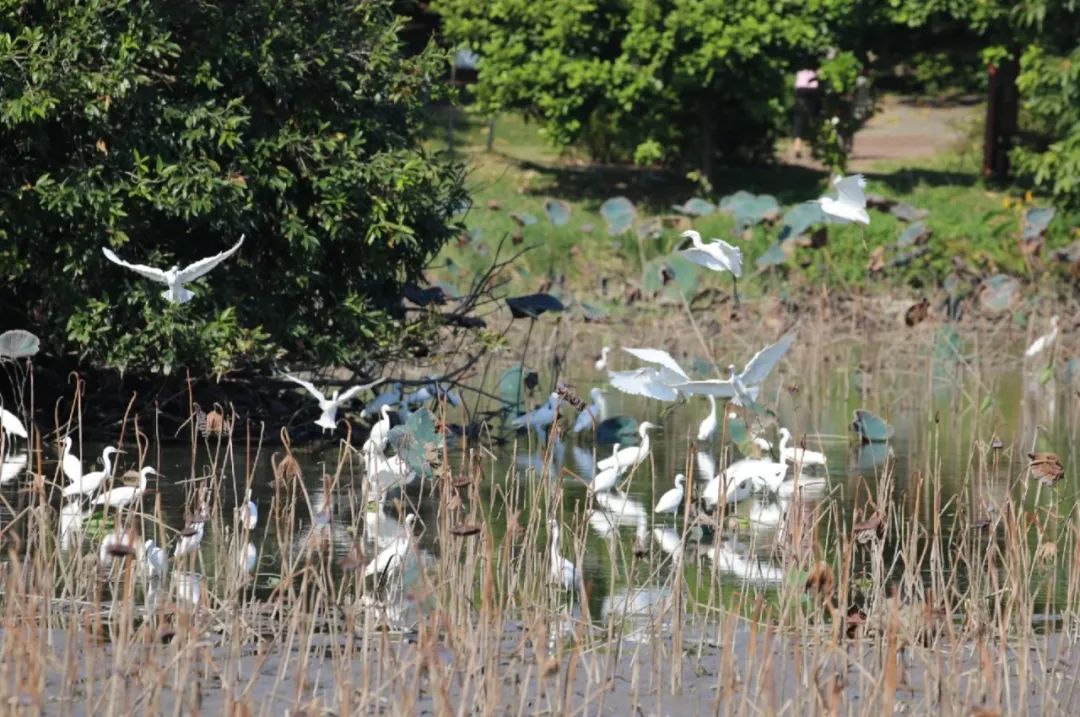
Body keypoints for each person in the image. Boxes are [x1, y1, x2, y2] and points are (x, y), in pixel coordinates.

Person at [792, 67, 820, 158]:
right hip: (812, 98)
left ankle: (797, 148)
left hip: (800, 98)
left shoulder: (800, 72)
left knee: (798, 125)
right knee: (814, 124)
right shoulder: (815, 71)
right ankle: (814, 149)